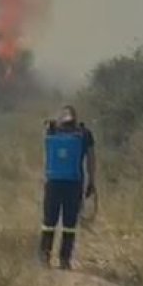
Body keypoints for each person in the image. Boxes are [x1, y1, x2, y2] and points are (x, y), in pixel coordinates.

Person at [39, 105, 96, 270]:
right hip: (74, 184)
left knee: (49, 221)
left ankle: (44, 257)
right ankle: (65, 260)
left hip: (53, 183)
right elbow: (91, 159)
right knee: (69, 224)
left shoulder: (51, 131)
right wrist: (91, 181)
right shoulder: (85, 134)